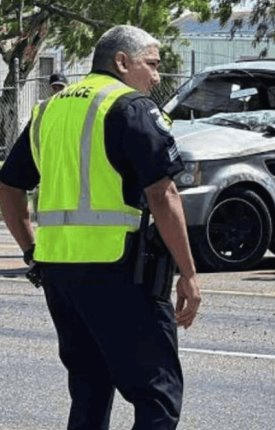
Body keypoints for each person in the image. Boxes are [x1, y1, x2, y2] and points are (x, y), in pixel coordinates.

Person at [0, 25, 201, 429]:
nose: (157, 77)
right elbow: (164, 195)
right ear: (122, 62)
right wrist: (189, 274)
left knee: (90, 391)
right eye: (152, 65)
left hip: (59, 273)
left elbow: (8, 187)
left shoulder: (48, 109)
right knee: (156, 395)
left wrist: (30, 249)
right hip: (121, 270)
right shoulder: (130, 108)